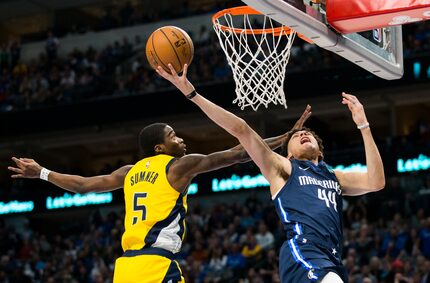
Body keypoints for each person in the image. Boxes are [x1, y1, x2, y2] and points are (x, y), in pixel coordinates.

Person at [8, 110, 311, 282]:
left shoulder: (128, 172)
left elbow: (83, 186)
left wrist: (43, 173)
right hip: (156, 266)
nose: (180, 138)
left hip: (125, 270)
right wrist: (283, 138)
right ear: (159, 148)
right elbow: (238, 154)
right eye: (172, 135)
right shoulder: (179, 166)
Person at [156, 63, 385, 283]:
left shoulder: (334, 177)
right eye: (296, 136)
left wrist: (364, 126)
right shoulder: (284, 168)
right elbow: (241, 130)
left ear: (320, 150)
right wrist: (192, 93)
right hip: (302, 252)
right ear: (289, 155)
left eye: (308, 134)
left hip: (332, 258)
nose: (303, 134)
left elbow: (376, 182)